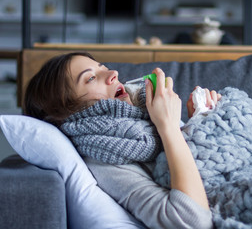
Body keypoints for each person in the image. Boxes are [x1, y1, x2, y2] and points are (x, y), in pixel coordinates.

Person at [24, 52, 221, 229]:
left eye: (102, 67)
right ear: (66, 113)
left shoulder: (145, 117)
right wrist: (169, 127)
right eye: (91, 78)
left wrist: (198, 125)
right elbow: (191, 221)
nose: (113, 73)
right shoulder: (105, 156)